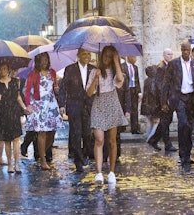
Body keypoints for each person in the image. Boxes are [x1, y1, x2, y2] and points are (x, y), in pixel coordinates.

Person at [161, 41, 194, 172]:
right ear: (181, 50)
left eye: (187, 50)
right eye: (183, 50)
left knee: (190, 126)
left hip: (191, 98)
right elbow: (166, 83)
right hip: (179, 98)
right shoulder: (173, 64)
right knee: (182, 124)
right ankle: (183, 155)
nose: (185, 52)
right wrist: (164, 101)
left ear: (190, 50)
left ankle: (187, 153)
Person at [86, 46, 128, 185]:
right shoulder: (94, 71)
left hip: (112, 102)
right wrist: (95, 79)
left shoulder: (115, 71)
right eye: (106, 55)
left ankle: (111, 172)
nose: (107, 58)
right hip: (98, 104)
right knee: (99, 139)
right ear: (101, 55)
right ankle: (98, 173)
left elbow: (120, 80)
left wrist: (117, 61)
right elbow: (89, 92)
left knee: (112, 141)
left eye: (110, 56)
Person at [24, 52, 64, 170]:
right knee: (42, 132)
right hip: (39, 105)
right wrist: (28, 105)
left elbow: (54, 87)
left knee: (52, 133)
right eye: (42, 60)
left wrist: (56, 89)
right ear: (37, 61)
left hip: (51, 104)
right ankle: (43, 160)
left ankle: (42, 152)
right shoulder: (33, 74)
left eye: (46, 59)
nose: (44, 62)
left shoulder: (52, 72)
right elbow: (27, 91)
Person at [59, 49, 95, 172]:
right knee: (76, 133)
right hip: (74, 105)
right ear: (78, 56)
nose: (87, 56)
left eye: (89, 54)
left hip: (88, 105)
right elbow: (63, 87)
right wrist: (62, 104)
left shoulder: (93, 69)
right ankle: (78, 161)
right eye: (84, 54)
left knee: (87, 133)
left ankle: (85, 155)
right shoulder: (70, 69)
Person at [0, 63, 26, 174]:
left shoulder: (15, 82)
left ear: (8, 70)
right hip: (2, 114)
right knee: (7, 140)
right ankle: (10, 164)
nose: (3, 71)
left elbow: (18, 97)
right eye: (0, 69)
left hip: (14, 112)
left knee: (16, 139)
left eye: (5, 68)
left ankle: (17, 164)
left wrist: (24, 107)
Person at [148, 48, 177, 152]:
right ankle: (167, 144)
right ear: (164, 55)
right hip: (164, 100)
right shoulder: (161, 67)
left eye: (171, 54)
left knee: (166, 121)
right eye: (168, 54)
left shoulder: (169, 66)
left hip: (169, 98)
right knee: (165, 121)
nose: (170, 56)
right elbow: (160, 86)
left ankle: (153, 139)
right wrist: (164, 101)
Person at [121, 56, 142, 134]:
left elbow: (137, 80)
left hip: (134, 89)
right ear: (129, 57)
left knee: (135, 109)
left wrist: (139, 92)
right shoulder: (122, 66)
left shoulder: (135, 67)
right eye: (134, 57)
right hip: (125, 90)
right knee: (124, 107)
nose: (136, 59)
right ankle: (122, 127)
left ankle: (135, 128)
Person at [141, 65, 160, 143]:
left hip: (146, 104)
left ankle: (148, 137)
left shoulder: (146, 80)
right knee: (156, 122)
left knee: (149, 122)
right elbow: (153, 93)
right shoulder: (154, 81)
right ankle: (151, 139)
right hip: (153, 104)